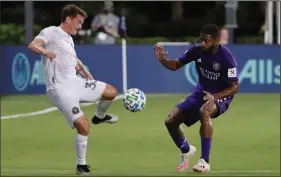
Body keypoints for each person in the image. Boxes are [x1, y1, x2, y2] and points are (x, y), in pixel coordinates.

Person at [28, 4, 119, 175]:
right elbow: (33, 45)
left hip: (75, 82)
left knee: (111, 92)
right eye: (78, 22)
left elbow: (72, 59)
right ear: (68, 19)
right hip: (60, 89)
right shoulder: (52, 32)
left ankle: (99, 116)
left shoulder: (69, 38)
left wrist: (84, 71)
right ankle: (81, 165)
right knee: (83, 126)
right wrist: (46, 52)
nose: (80, 26)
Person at [153, 23, 239, 173]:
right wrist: (163, 60)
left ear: (217, 40)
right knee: (170, 120)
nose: (202, 44)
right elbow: (175, 65)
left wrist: (216, 96)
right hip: (201, 92)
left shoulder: (226, 58)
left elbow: (235, 87)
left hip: (221, 95)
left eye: (206, 41)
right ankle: (186, 150)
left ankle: (204, 161)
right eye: (201, 40)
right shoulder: (196, 50)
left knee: (204, 112)